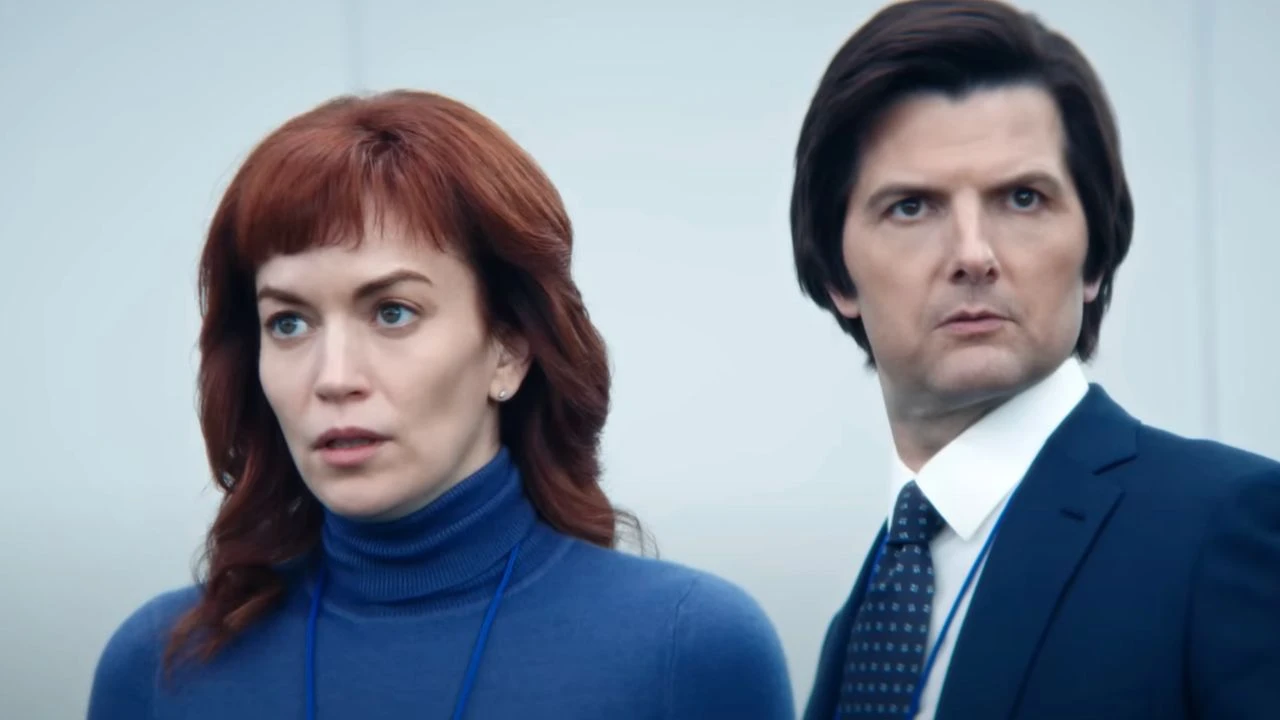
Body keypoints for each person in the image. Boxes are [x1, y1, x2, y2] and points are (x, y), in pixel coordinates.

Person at [87, 90, 794, 719]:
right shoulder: (160, 668)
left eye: (393, 312)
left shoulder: (687, 649)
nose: (334, 377)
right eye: (290, 322)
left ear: (509, 350)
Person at [788, 1, 1280, 718]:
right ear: (838, 275)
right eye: (911, 207)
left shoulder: (1226, 526)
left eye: (1023, 198)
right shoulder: (873, 603)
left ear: (1095, 258)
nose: (972, 255)